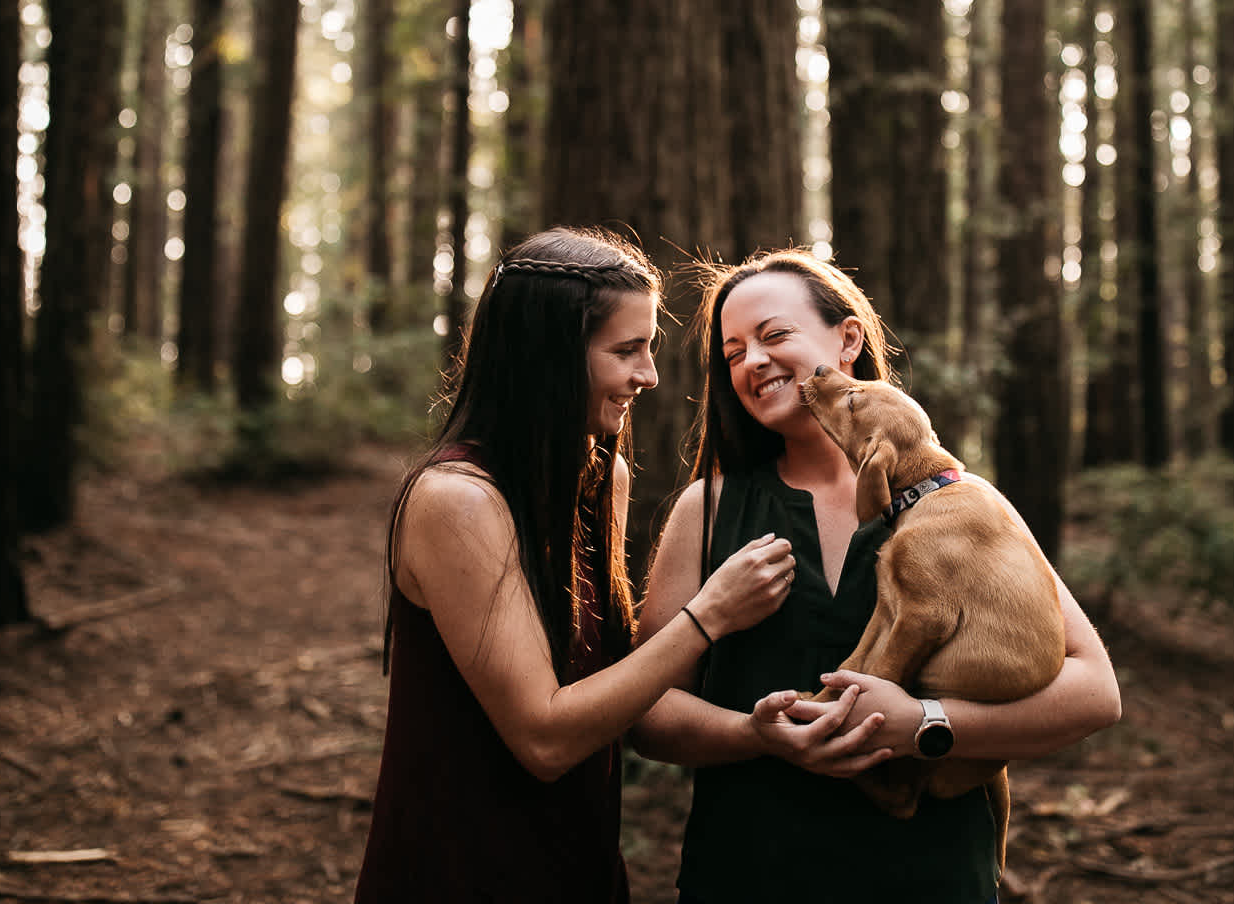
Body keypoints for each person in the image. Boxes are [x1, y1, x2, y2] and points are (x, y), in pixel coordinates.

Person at [632, 249, 1122, 903]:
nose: (753, 361)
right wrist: (754, 735)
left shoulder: (960, 502)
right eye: (733, 353)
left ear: (848, 339)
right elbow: (646, 711)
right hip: (751, 870)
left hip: (931, 879)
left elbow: (1095, 693)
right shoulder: (709, 509)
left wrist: (924, 723)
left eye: (775, 335)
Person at [352, 227, 797, 904]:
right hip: (462, 871)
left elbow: (611, 682)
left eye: (649, 347)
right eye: (626, 351)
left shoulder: (600, 477)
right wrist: (708, 615)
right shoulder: (458, 502)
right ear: (550, 357)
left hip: (579, 860)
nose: (648, 375)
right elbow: (544, 739)